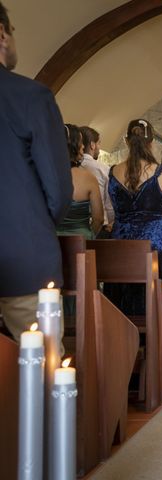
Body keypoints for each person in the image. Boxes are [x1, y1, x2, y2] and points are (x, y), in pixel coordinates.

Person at [0, 3, 73, 342]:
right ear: (2, 34)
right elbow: (58, 190)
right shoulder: (31, 97)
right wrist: (33, 227)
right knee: (42, 374)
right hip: (25, 258)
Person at [109, 119, 162, 288]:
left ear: (126, 141)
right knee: (156, 293)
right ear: (152, 142)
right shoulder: (161, 172)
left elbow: (111, 206)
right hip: (154, 243)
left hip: (121, 243)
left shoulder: (113, 172)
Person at [56, 124, 103, 239]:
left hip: (52, 242)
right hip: (81, 242)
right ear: (74, 146)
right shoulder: (89, 178)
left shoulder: (45, 176)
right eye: (81, 142)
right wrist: (90, 236)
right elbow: (99, 219)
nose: (83, 146)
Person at [80, 126, 114, 236]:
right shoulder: (103, 169)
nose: (99, 148)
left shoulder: (70, 168)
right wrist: (111, 222)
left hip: (75, 228)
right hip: (100, 228)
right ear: (92, 144)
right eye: (98, 143)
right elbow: (109, 205)